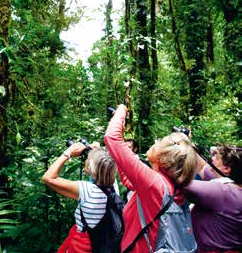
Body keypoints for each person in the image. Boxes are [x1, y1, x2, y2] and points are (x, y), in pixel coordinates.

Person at [104, 104, 197, 252]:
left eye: (161, 141)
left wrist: (122, 110)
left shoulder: (154, 184)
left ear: (164, 158)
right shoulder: (166, 183)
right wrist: (123, 160)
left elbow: (111, 138)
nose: (156, 140)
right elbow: (130, 183)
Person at [42, 141, 118, 252]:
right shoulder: (112, 186)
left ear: (92, 168)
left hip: (82, 246)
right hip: (100, 240)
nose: (86, 159)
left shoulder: (87, 191)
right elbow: (102, 170)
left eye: (88, 159)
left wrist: (68, 153)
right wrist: (98, 152)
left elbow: (48, 178)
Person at [184, 144, 242, 253]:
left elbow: (181, 183)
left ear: (226, 169)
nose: (212, 158)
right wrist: (187, 144)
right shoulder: (234, 187)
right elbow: (201, 166)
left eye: (217, 157)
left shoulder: (224, 193)